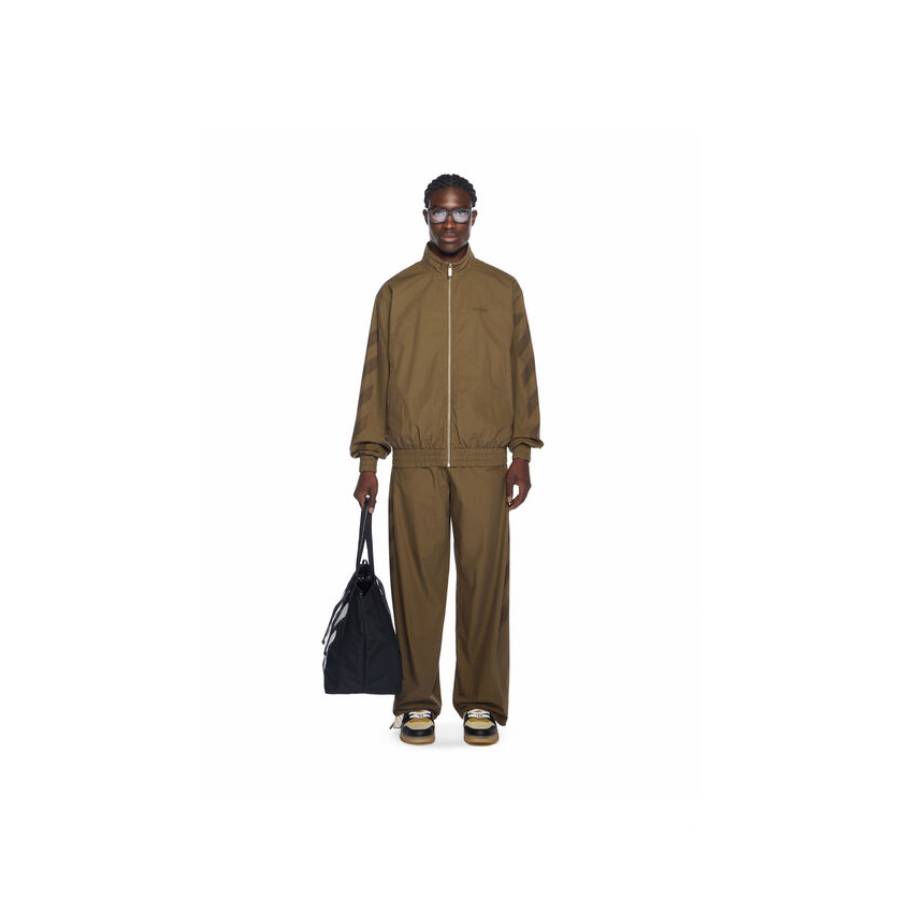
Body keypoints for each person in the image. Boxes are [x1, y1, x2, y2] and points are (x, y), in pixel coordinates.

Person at [349, 173, 543, 746]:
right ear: (426, 217)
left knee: (484, 585)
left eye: (460, 212)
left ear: (475, 216)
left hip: (486, 462)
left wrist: (522, 451)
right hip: (416, 462)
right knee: (416, 587)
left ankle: (480, 700)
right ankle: (416, 701)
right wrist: (369, 461)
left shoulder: (503, 290)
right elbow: (375, 378)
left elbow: (523, 373)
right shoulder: (396, 293)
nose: (450, 223)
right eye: (440, 212)